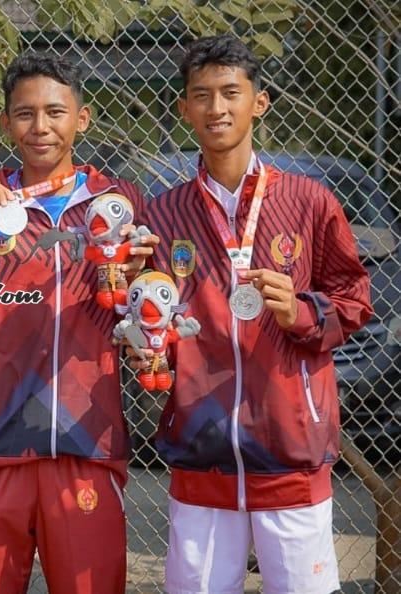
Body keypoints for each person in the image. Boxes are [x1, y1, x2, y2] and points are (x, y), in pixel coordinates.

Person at [0, 52, 156, 594]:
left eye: (54, 112)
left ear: (82, 118)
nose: (40, 127)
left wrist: (142, 272)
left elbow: (151, 309)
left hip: (84, 441)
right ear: (5, 123)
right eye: (25, 114)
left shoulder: (119, 204)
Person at [140, 34, 373, 594]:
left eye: (230, 92)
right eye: (202, 95)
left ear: (258, 102)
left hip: (290, 458)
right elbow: (147, 311)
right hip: (201, 457)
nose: (216, 108)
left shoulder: (309, 202)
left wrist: (302, 311)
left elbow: (355, 301)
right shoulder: (163, 212)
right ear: (184, 108)